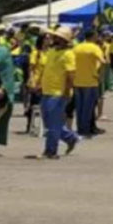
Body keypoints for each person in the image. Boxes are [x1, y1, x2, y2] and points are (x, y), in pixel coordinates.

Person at [36, 27, 79, 159]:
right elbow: (46, 69)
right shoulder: (52, 52)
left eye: (59, 38)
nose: (55, 39)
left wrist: (67, 92)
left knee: (53, 124)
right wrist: (39, 84)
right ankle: (71, 137)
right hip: (46, 90)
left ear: (65, 40)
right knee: (49, 122)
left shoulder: (68, 54)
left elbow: (71, 76)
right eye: (55, 37)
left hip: (58, 93)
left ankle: (50, 151)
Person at [72, 30, 105, 138]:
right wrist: (99, 73)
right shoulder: (95, 48)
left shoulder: (77, 47)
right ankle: (85, 130)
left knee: (80, 107)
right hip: (90, 81)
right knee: (88, 107)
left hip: (77, 81)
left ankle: (80, 128)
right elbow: (103, 61)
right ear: (93, 37)